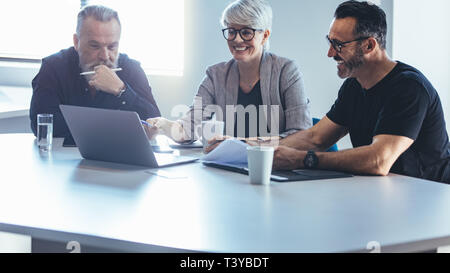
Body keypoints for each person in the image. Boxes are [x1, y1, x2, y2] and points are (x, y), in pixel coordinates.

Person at [273, 0, 450, 183]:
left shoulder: (410, 88)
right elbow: (315, 138)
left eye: (339, 45)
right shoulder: (354, 85)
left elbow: (378, 160)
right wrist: (262, 152)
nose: (330, 53)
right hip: (384, 191)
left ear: (369, 46)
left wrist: (303, 159)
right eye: (330, 42)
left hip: (429, 194)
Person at [145, 0, 311, 150]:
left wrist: (244, 144)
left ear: (264, 35)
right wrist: (163, 125)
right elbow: (189, 129)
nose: (237, 40)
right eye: (231, 31)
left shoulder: (286, 71)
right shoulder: (216, 75)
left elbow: (300, 135)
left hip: (274, 168)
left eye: (246, 32)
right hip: (230, 167)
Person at [30, 5, 161, 138]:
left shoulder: (131, 68)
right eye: (95, 46)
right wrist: (117, 128)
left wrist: (122, 90)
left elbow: (155, 125)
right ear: (76, 42)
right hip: (64, 157)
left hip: (118, 157)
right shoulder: (54, 67)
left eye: (111, 46)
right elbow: (42, 126)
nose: (104, 56)